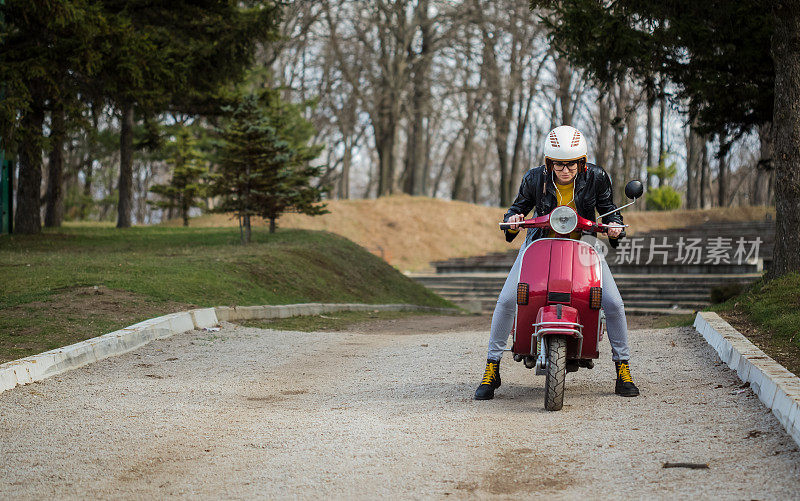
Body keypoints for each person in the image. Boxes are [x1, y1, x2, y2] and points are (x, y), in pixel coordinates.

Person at [474, 125, 640, 400]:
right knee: (506, 300)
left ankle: (622, 369)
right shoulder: (535, 178)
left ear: (582, 162)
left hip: (584, 243)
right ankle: (492, 368)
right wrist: (514, 219)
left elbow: (609, 210)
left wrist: (614, 225)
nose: (566, 170)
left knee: (613, 303)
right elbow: (517, 208)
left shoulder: (597, 177)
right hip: (539, 243)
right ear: (549, 163)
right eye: (559, 164)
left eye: (572, 164)